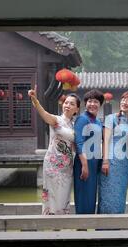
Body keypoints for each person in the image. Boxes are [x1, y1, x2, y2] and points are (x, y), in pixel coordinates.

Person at [28, 86, 80, 215]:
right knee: (51, 197)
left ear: (77, 109)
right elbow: (44, 114)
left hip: (67, 167)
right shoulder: (56, 119)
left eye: (72, 104)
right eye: (66, 102)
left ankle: (60, 227)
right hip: (53, 164)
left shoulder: (76, 125)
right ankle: (49, 224)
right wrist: (35, 100)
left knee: (64, 198)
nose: (67, 105)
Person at [98, 91, 128, 214]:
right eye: (123, 99)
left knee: (120, 196)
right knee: (107, 195)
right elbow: (106, 140)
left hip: (124, 164)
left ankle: (117, 228)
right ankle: (104, 230)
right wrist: (105, 161)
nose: (124, 102)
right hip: (110, 161)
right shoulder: (111, 118)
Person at [73, 89, 104, 214]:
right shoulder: (82, 119)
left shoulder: (97, 121)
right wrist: (85, 166)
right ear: (85, 103)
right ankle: (81, 230)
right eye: (90, 101)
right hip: (83, 162)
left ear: (100, 104)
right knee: (83, 197)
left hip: (94, 162)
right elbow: (79, 142)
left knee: (91, 197)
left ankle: (88, 229)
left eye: (96, 101)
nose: (92, 104)